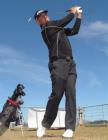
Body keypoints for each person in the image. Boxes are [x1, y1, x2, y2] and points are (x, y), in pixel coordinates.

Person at [34, 6, 82, 138]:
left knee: (71, 94)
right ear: (38, 22)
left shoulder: (58, 29)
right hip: (58, 63)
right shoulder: (47, 29)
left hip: (71, 64)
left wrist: (78, 18)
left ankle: (70, 128)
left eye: (45, 14)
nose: (44, 16)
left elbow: (74, 31)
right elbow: (64, 21)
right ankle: (44, 124)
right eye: (40, 16)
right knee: (57, 94)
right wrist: (72, 13)